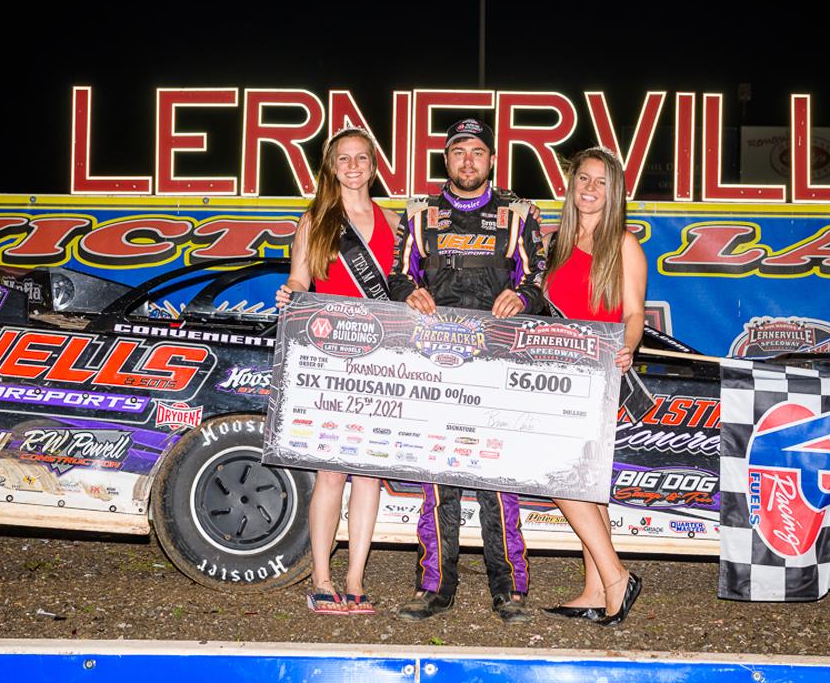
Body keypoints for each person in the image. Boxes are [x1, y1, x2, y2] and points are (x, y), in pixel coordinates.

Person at [388, 117, 548, 624]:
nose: (468, 161)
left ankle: (510, 590)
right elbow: (397, 275)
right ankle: (434, 587)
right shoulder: (419, 213)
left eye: (477, 152)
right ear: (447, 159)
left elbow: (539, 280)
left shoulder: (519, 214)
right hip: (436, 366)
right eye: (459, 152)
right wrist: (406, 292)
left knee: (497, 478)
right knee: (439, 477)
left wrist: (522, 296)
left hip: (497, 364)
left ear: (492, 159)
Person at [275, 126, 399, 615]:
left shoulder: (396, 223)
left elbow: (406, 290)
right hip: (330, 361)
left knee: (368, 475)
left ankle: (355, 578)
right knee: (330, 473)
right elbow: (299, 280)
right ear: (331, 167)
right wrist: (289, 293)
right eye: (343, 158)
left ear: (374, 165)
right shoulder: (315, 221)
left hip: (382, 363)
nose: (352, 166)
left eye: (361, 157)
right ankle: (322, 578)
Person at [542, 147, 646, 627]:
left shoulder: (623, 244)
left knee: (560, 475)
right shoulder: (556, 242)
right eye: (583, 178)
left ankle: (616, 576)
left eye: (601, 182)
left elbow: (634, 312)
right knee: (584, 483)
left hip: (597, 373)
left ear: (614, 191)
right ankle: (595, 589)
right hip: (554, 372)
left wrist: (628, 346)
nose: (589, 188)